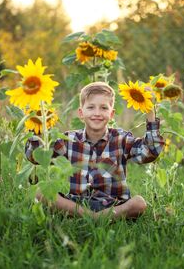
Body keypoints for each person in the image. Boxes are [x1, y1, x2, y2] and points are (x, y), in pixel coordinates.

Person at [25, 81, 164, 220]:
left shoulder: (121, 139)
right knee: (41, 191)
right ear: (81, 113)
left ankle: (91, 217)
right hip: (78, 203)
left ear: (111, 114)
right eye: (91, 107)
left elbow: (150, 153)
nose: (97, 113)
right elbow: (35, 157)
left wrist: (150, 113)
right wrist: (36, 123)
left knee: (139, 203)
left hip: (114, 204)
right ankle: (95, 217)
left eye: (104, 108)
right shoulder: (69, 140)